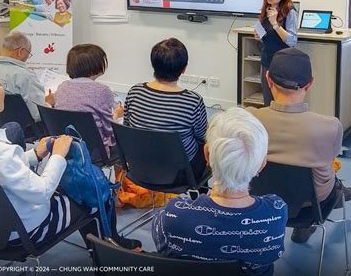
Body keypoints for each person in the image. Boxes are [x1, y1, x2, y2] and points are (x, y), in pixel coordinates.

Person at [0, 67, 140, 250]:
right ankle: (108, 249)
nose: (3, 88)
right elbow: (42, 192)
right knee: (95, 191)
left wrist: (35, 154)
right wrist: (58, 155)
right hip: (25, 232)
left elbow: (4, 169)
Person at [152, 107, 287, 275]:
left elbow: (161, 246)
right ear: (262, 164)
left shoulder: (173, 215)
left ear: (207, 154)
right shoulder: (276, 212)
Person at [248, 47, 351, 243]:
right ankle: (333, 199)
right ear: (310, 84)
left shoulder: (248, 119)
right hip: (311, 205)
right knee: (324, 171)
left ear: (268, 79)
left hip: (257, 199)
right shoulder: (330, 126)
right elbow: (330, 159)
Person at [124, 38, 208, 180]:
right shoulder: (193, 101)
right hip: (178, 175)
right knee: (206, 145)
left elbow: (127, 126)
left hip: (139, 167)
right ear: (184, 69)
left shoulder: (135, 92)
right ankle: (199, 193)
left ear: (153, 64)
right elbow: (202, 136)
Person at [47, 44, 123, 157]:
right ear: (96, 64)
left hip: (65, 147)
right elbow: (110, 131)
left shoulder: (62, 87)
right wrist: (116, 115)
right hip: (95, 152)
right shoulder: (103, 91)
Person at [256, 0, 297, 106]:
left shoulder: (289, 11)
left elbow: (292, 40)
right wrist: (259, 35)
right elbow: (266, 35)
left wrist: (275, 23)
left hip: (283, 62)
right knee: (268, 101)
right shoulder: (266, 9)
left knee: (281, 102)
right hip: (267, 60)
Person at [0, 32, 46, 122]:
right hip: (23, 128)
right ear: (21, 51)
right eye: (28, 54)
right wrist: (48, 104)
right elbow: (38, 114)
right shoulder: (26, 76)